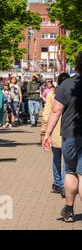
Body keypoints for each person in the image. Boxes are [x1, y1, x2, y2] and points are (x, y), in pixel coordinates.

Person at [43, 52, 82, 222]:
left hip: (70, 134)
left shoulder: (66, 84)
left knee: (70, 171)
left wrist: (47, 133)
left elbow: (56, 111)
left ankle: (69, 209)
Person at [41, 73, 70, 199]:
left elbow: (47, 113)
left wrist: (44, 132)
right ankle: (64, 184)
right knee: (67, 160)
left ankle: (58, 183)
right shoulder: (72, 94)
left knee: (56, 158)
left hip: (53, 130)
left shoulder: (52, 95)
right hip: (68, 131)